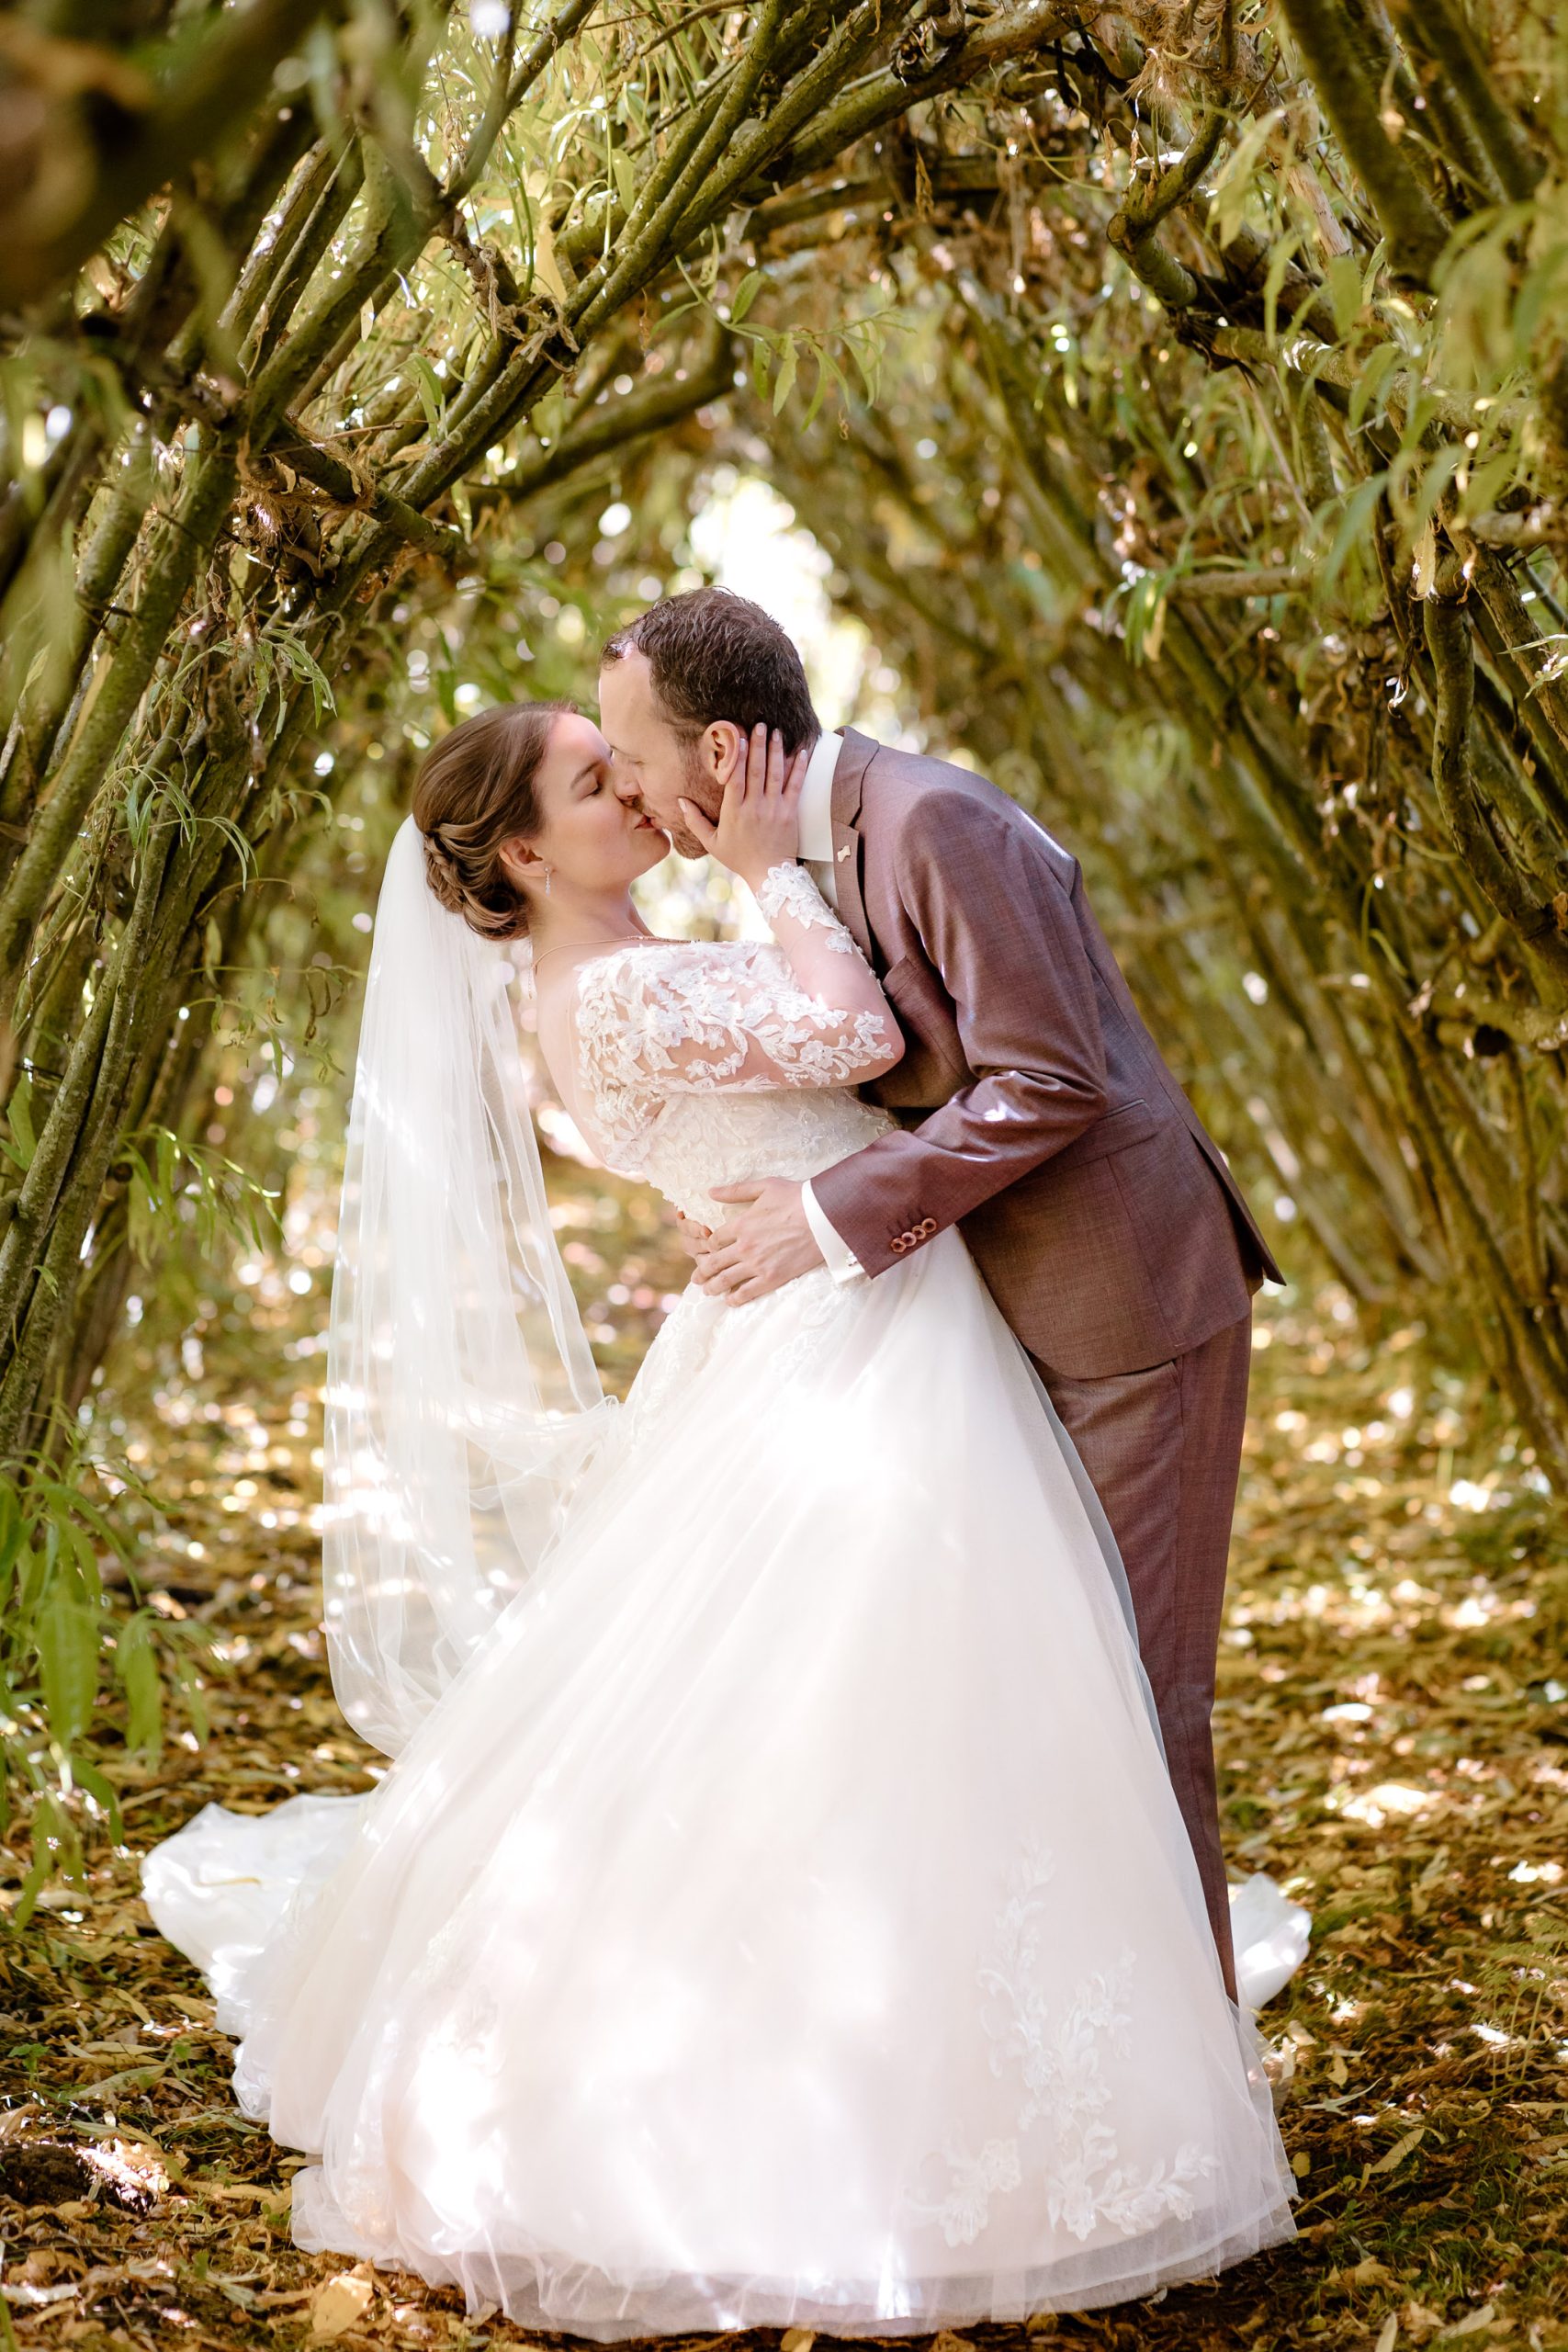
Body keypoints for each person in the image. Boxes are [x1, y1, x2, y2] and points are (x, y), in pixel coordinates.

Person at [141, 696, 1297, 2339]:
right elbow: (853, 1046)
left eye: (625, 761)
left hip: (838, 1314)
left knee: (892, 1699)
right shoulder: (614, 992)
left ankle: (953, 2031)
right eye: (596, 779)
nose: (637, 789)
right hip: (842, 1342)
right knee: (850, 1696)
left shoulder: (620, 973)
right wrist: (776, 870)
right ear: (528, 850)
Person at [596, 589, 1287, 2003]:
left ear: (721, 754)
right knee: (1035, 1698)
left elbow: (1051, 1077)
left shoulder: (932, 826)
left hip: (1125, 1305)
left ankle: (1195, 2083)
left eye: (639, 759)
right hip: (999, 1312)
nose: (631, 791)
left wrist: (821, 1217)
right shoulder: (813, 847)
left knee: (1138, 1709)